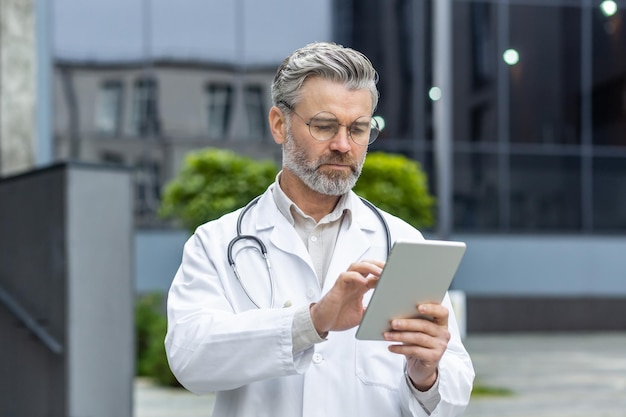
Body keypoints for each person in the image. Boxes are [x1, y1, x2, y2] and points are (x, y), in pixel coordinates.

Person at [165, 41, 474, 417]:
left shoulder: (403, 242)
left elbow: (454, 392)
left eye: (359, 129)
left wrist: (426, 374)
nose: (344, 145)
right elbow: (189, 359)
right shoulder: (216, 242)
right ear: (279, 124)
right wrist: (311, 322)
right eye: (325, 126)